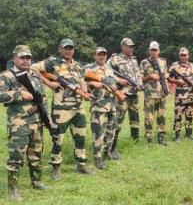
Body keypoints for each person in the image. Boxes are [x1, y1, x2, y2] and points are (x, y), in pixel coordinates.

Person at [31, 38, 94, 180]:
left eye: (70, 48)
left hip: (78, 107)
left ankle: (81, 164)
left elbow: (82, 80)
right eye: (65, 48)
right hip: (62, 108)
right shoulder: (52, 62)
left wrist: (85, 93)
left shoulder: (78, 65)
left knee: (81, 136)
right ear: (60, 49)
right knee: (58, 138)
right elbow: (33, 68)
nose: (68, 50)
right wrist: (48, 83)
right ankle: (56, 167)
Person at [0, 45, 48, 201]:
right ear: (14, 57)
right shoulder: (7, 75)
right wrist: (20, 94)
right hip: (19, 123)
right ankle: (13, 190)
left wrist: (45, 116)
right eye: (22, 57)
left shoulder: (34, 74)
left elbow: (42, 97)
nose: (26, 60)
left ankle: (37, 181)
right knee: (16, 156)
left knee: (36, 153)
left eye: (28, 58)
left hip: (36, 121)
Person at [83, 47, 124, 169]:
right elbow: (79, 82)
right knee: (98, 133)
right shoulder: (89, 69)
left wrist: (121, 88)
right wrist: (92, 83)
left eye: (104, 55)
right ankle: (97, 157)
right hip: (99, 107)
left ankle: (108, 152)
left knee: (110, 131)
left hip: (112, 106)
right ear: (95, 56)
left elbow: (114, 83)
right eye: (99, 55)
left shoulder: (109, 69)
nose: (102, 57)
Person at [107, 37, 142, 159]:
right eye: (129, 46)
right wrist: (119, 80)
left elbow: (137, 74)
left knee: (135, 121)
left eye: (132, 46)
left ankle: (135, 144)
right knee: (118, 122)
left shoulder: (133, 59)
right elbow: (107, 73)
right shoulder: (115, 59)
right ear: (123, 47)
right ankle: (112, 148)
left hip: (134, 94)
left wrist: (139, 84)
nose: (131, 48)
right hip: (122, 95)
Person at [140, 41, 169, 145]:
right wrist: (150, 77)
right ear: (149, 50)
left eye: (155, 50)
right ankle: (149, 139)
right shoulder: (144, 62)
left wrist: (167, 88)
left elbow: (166, 76)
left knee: (162, 116)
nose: (154, 52)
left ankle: (161, 138)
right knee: (149, 117)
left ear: (159, 51)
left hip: (162, 94)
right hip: (150, 94)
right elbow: (140, 80)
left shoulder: (163, 62)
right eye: (152, 50)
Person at [168, 47, 193, 142]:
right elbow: (168, 78)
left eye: (185, 55)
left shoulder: (192, 66)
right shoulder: (174, 66)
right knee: (178, 115)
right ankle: (177, 136)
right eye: (181, 55)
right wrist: (177, 81)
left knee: (190, 114)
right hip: (180, 96)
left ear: (188, 55)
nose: (183, 57)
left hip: (191, 95)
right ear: (179, 56)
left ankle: (189, 134)